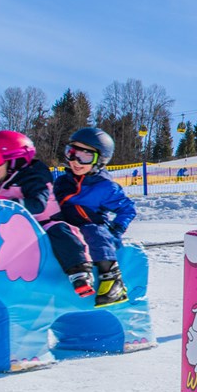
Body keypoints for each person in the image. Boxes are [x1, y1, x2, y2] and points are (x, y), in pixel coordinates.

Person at [48, 127, 137, 308]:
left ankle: (112, 279)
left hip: (91, 226)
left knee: (93, 232)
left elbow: (127, 209)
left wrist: (116, 229)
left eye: (85, 157)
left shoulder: (105, 187)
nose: (76, 161)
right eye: (71, 153)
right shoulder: (62, 182)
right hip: (65, 227)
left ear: (100, 160)